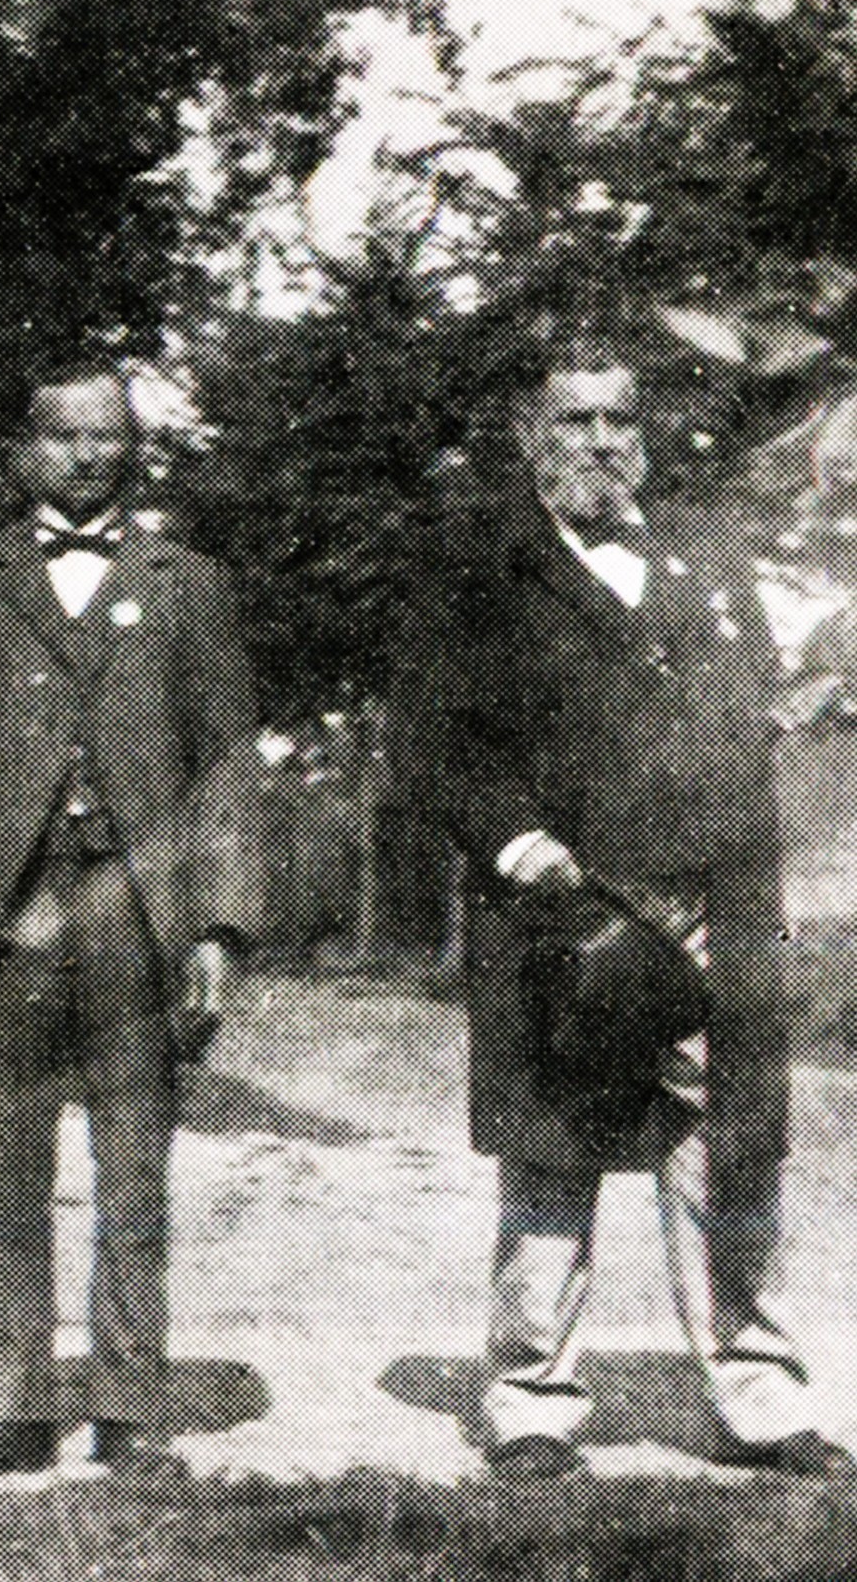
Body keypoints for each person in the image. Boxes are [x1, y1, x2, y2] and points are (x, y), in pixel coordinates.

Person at [410, 338, 849, 1481]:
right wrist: (518, 842)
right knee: (551, 1145)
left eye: (618, 418)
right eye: (574, 419)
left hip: (713, 897)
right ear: (528, 435)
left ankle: (757, 1393)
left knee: (728, 1144)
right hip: (568, 907)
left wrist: (796, 703)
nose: (601, 442)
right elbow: (433, 740)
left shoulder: (701, 551)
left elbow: (744, 702)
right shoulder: (479, 567)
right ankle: (530, 1400)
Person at [0, 360, 258, 1484]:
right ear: (23, 450)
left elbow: (225, 766)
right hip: (10, 913)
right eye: (62, 436)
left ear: (130, 449)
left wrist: (219, 926)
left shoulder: (187, 582)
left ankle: (131, 1407)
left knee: (133, 1169)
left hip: (137, 913)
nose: (86, 456)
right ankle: (9, 1404)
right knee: (10, 1166)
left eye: (105, 436)